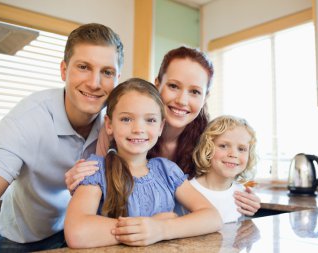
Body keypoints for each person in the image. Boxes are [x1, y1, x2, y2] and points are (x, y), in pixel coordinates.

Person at [66, 46, 261, 216]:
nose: (182, 100)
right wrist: (80, 179)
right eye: (174, 86)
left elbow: (221, 183)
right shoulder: (119, 132)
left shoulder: (208, 139)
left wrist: (244, 198)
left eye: (195, 92)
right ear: (157, 84)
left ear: (206, 97)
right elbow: (99, 187)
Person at [0, 23, 124, 252]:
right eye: (84, 67)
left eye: (107, 72)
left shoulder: (116, 125)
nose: (94, 83)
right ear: (64, 70)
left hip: (76, 232)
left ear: (117, 78)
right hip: (21, 238)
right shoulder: (26, 120)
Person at [64, 78, 222, 248]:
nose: (138, 129)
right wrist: (149, 225)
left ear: (161, 127)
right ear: (109, 125)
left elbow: (212, 217)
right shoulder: (95, 170)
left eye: (150, 120)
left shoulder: (166, 171)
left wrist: (161, 229)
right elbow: (77, 232)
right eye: (126, 119)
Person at [191, 115, 259, 223]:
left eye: (241, 149)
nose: (233, 154)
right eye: (223, 146)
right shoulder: (188, 190)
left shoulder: (242, 194)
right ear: (207, 148)